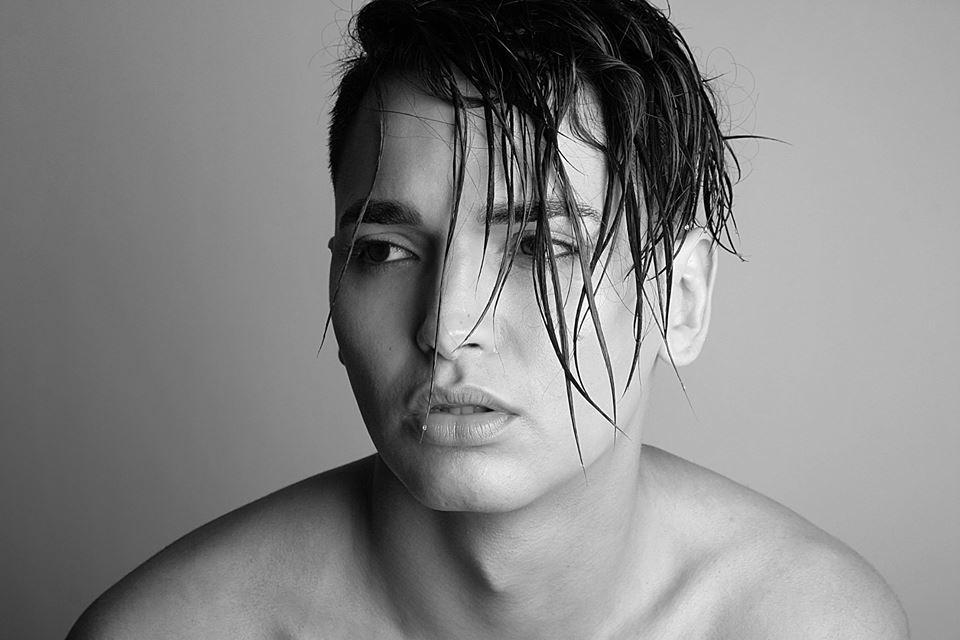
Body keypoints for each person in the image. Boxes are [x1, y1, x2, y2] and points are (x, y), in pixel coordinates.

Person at [67, 0, 909, 637]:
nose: (446, 326)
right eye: (384, 250)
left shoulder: (808, 623)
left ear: (678, 298)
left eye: (541, 245)